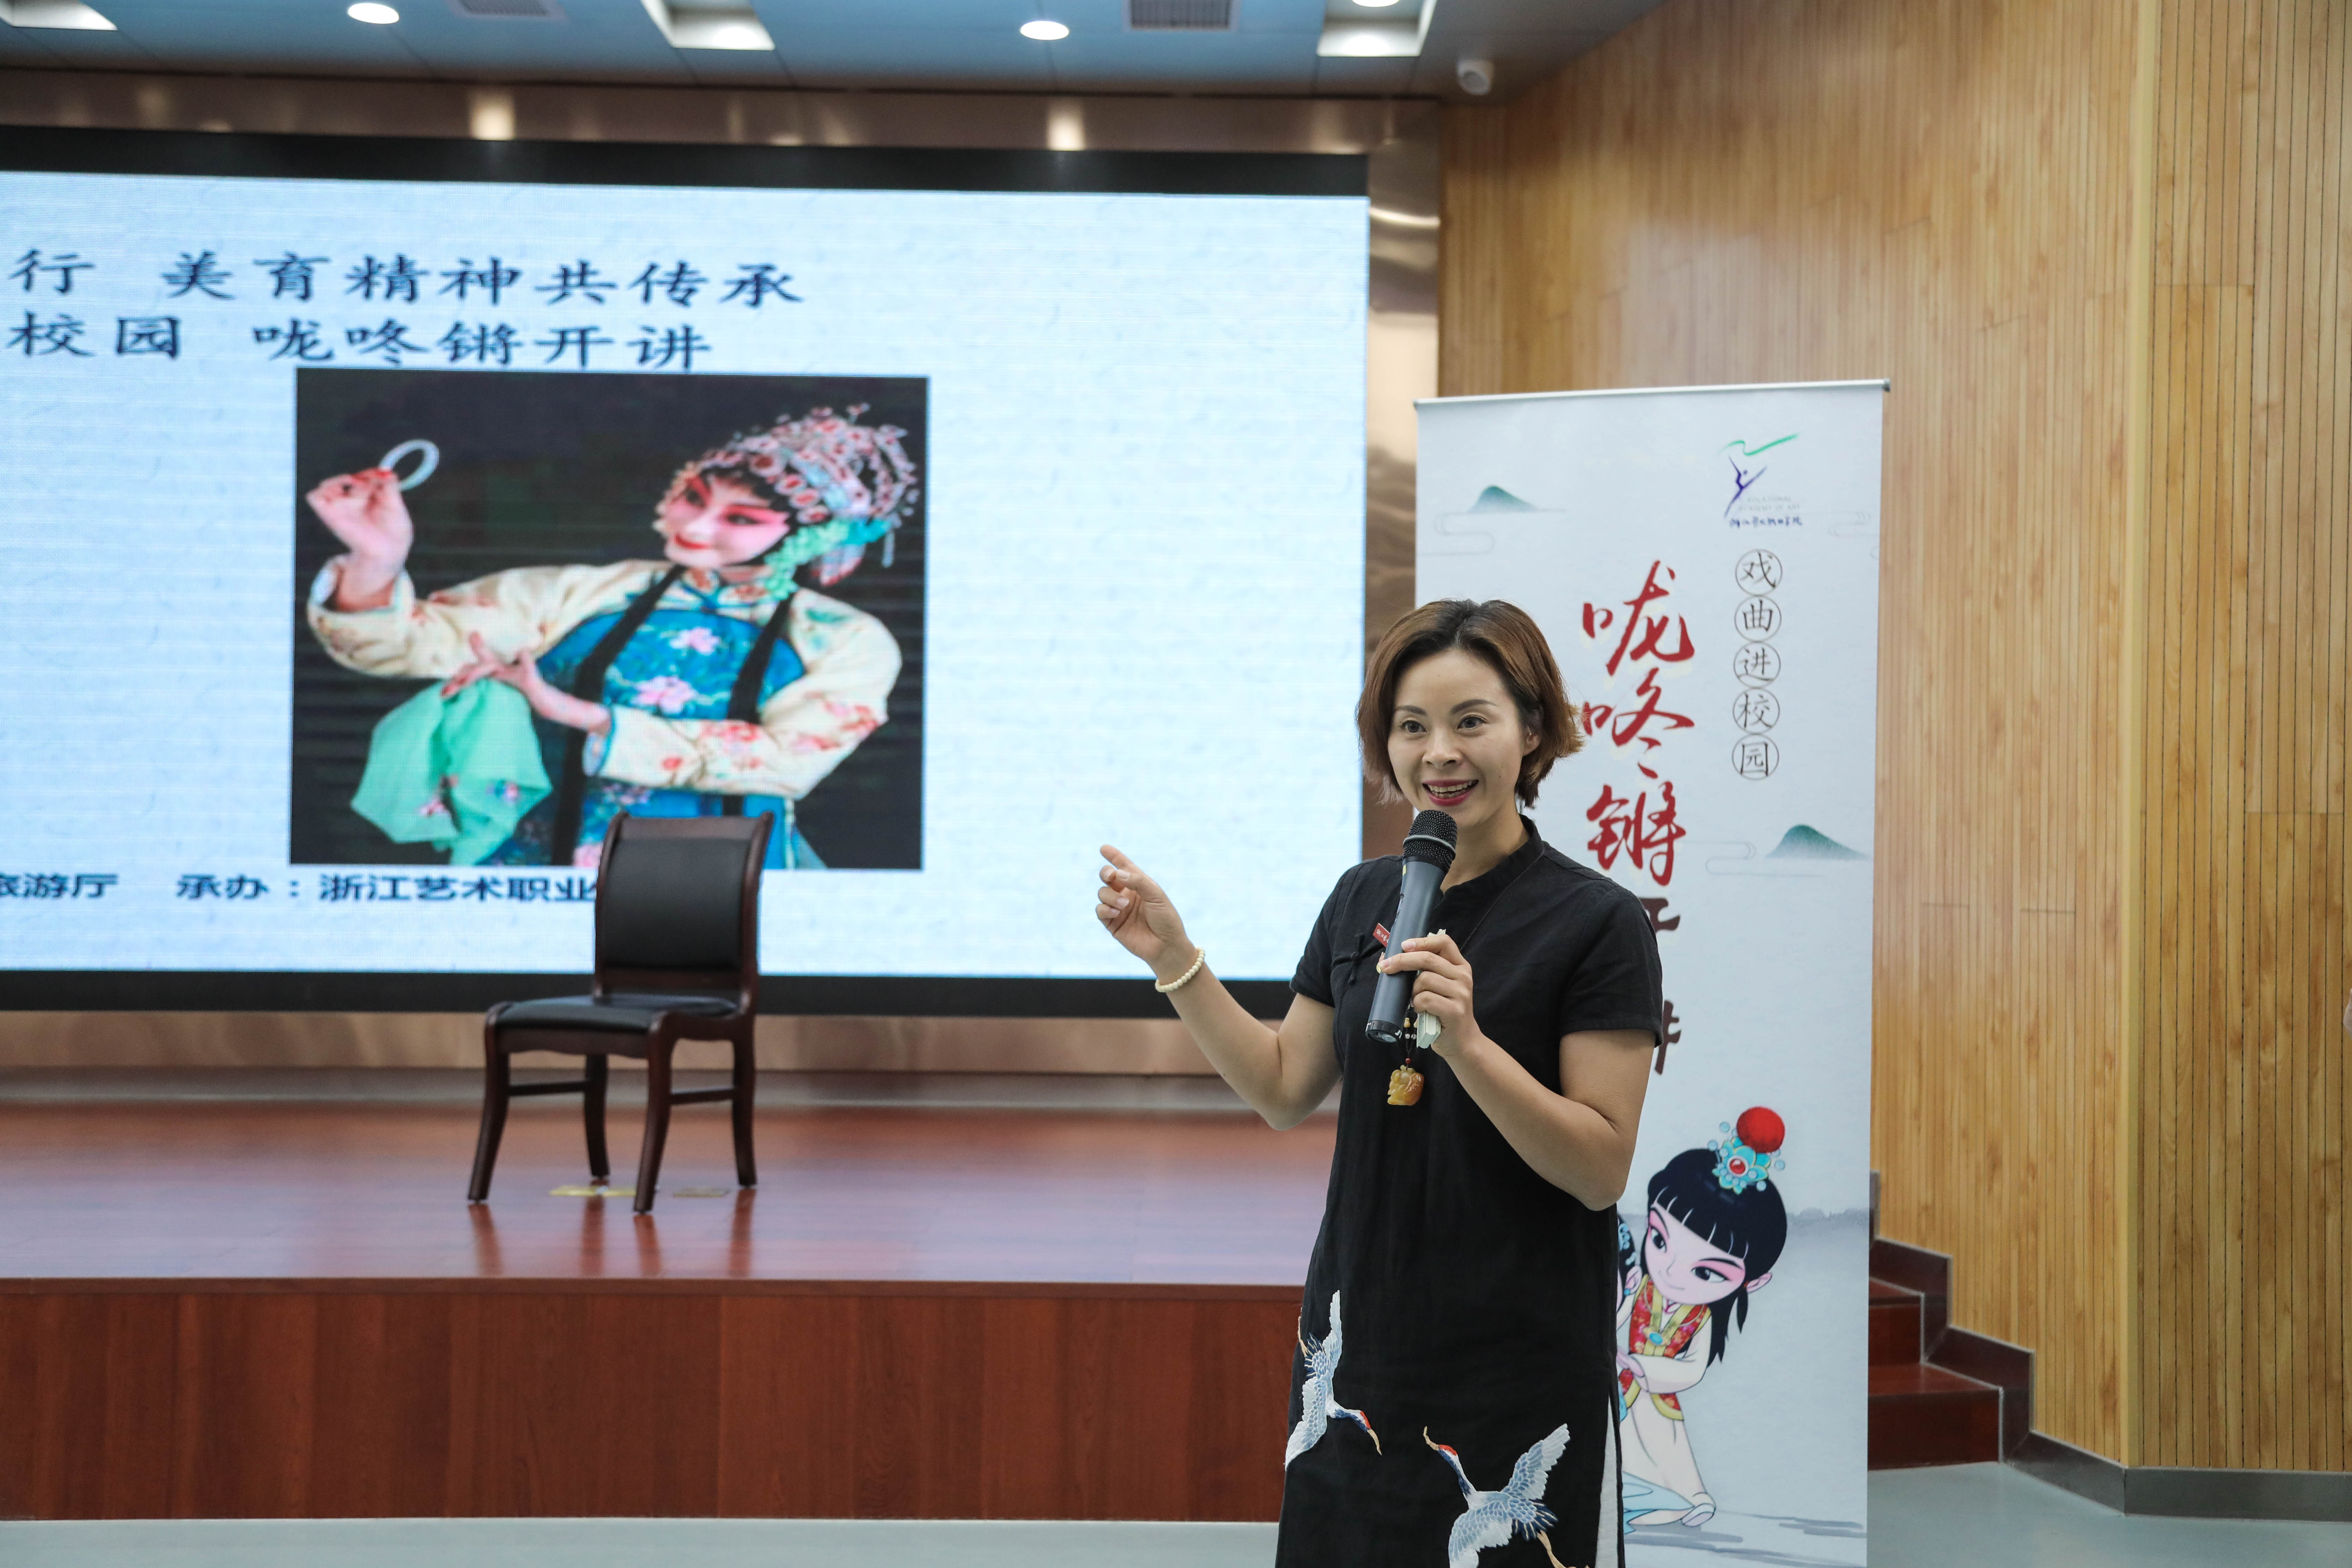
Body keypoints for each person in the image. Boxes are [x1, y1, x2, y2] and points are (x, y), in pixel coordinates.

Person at [1095, 598, 1663, 1568]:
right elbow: (1284, 1088)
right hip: (1360, 1346)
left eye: (1471, 721)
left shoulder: (1597, 922)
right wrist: (1176, 960)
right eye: (1411, 727)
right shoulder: (1366, 896)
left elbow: (1599, 1169)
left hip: (1514, 1359)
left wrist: (1467, 1043)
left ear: (1532, 732)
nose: (1439, 753)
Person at [303, 406, 913, 869]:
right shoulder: (582, 592)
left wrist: (581, 715)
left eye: (741, 519)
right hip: (544, 858)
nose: (698, 526)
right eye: (694, 497)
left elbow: (789, 760)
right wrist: (377, 561)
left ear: (812, 536)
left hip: (727, 876)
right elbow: (409, 644)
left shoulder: (844, 638)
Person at [1615, 1111, 1788, 1527]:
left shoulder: (1701, 1319)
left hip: (1656, 1387)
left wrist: (1644, 1367)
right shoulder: (1643, 1287)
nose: (1671, 1272)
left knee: (1669, 1449)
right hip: (1625, 1381)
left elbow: (1693, 1368)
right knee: (1627, 1448)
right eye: (1660, 1240)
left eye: (1707, 1272)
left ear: (1753, 1282)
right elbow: (1617, 1318)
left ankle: (1691, 1498)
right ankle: (1650, 1499)